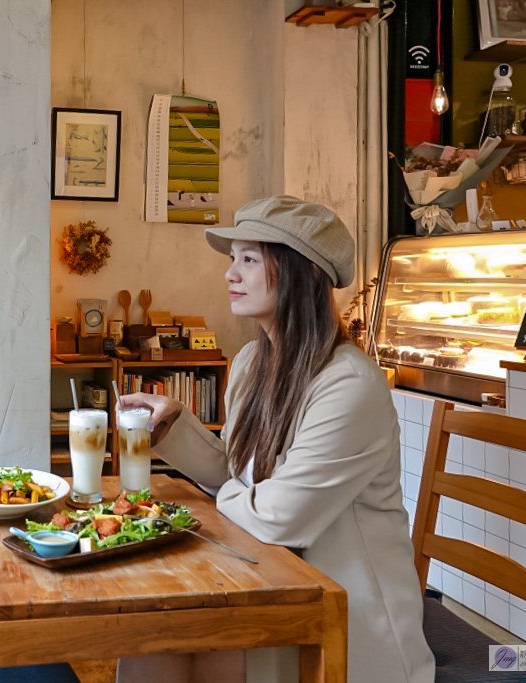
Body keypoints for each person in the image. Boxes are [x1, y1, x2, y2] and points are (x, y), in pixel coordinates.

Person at [117, 196, 435, 683]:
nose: (230, 274)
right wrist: (176, 426)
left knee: (179, 639)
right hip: (273, 583)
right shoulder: (250, 361)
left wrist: (219, 502)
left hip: (343, 618)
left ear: (301, 273)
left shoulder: (349, 384)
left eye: (249, 259)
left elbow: (278, 516)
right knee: (151, 638)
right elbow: (244, 477)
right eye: (232, 259)